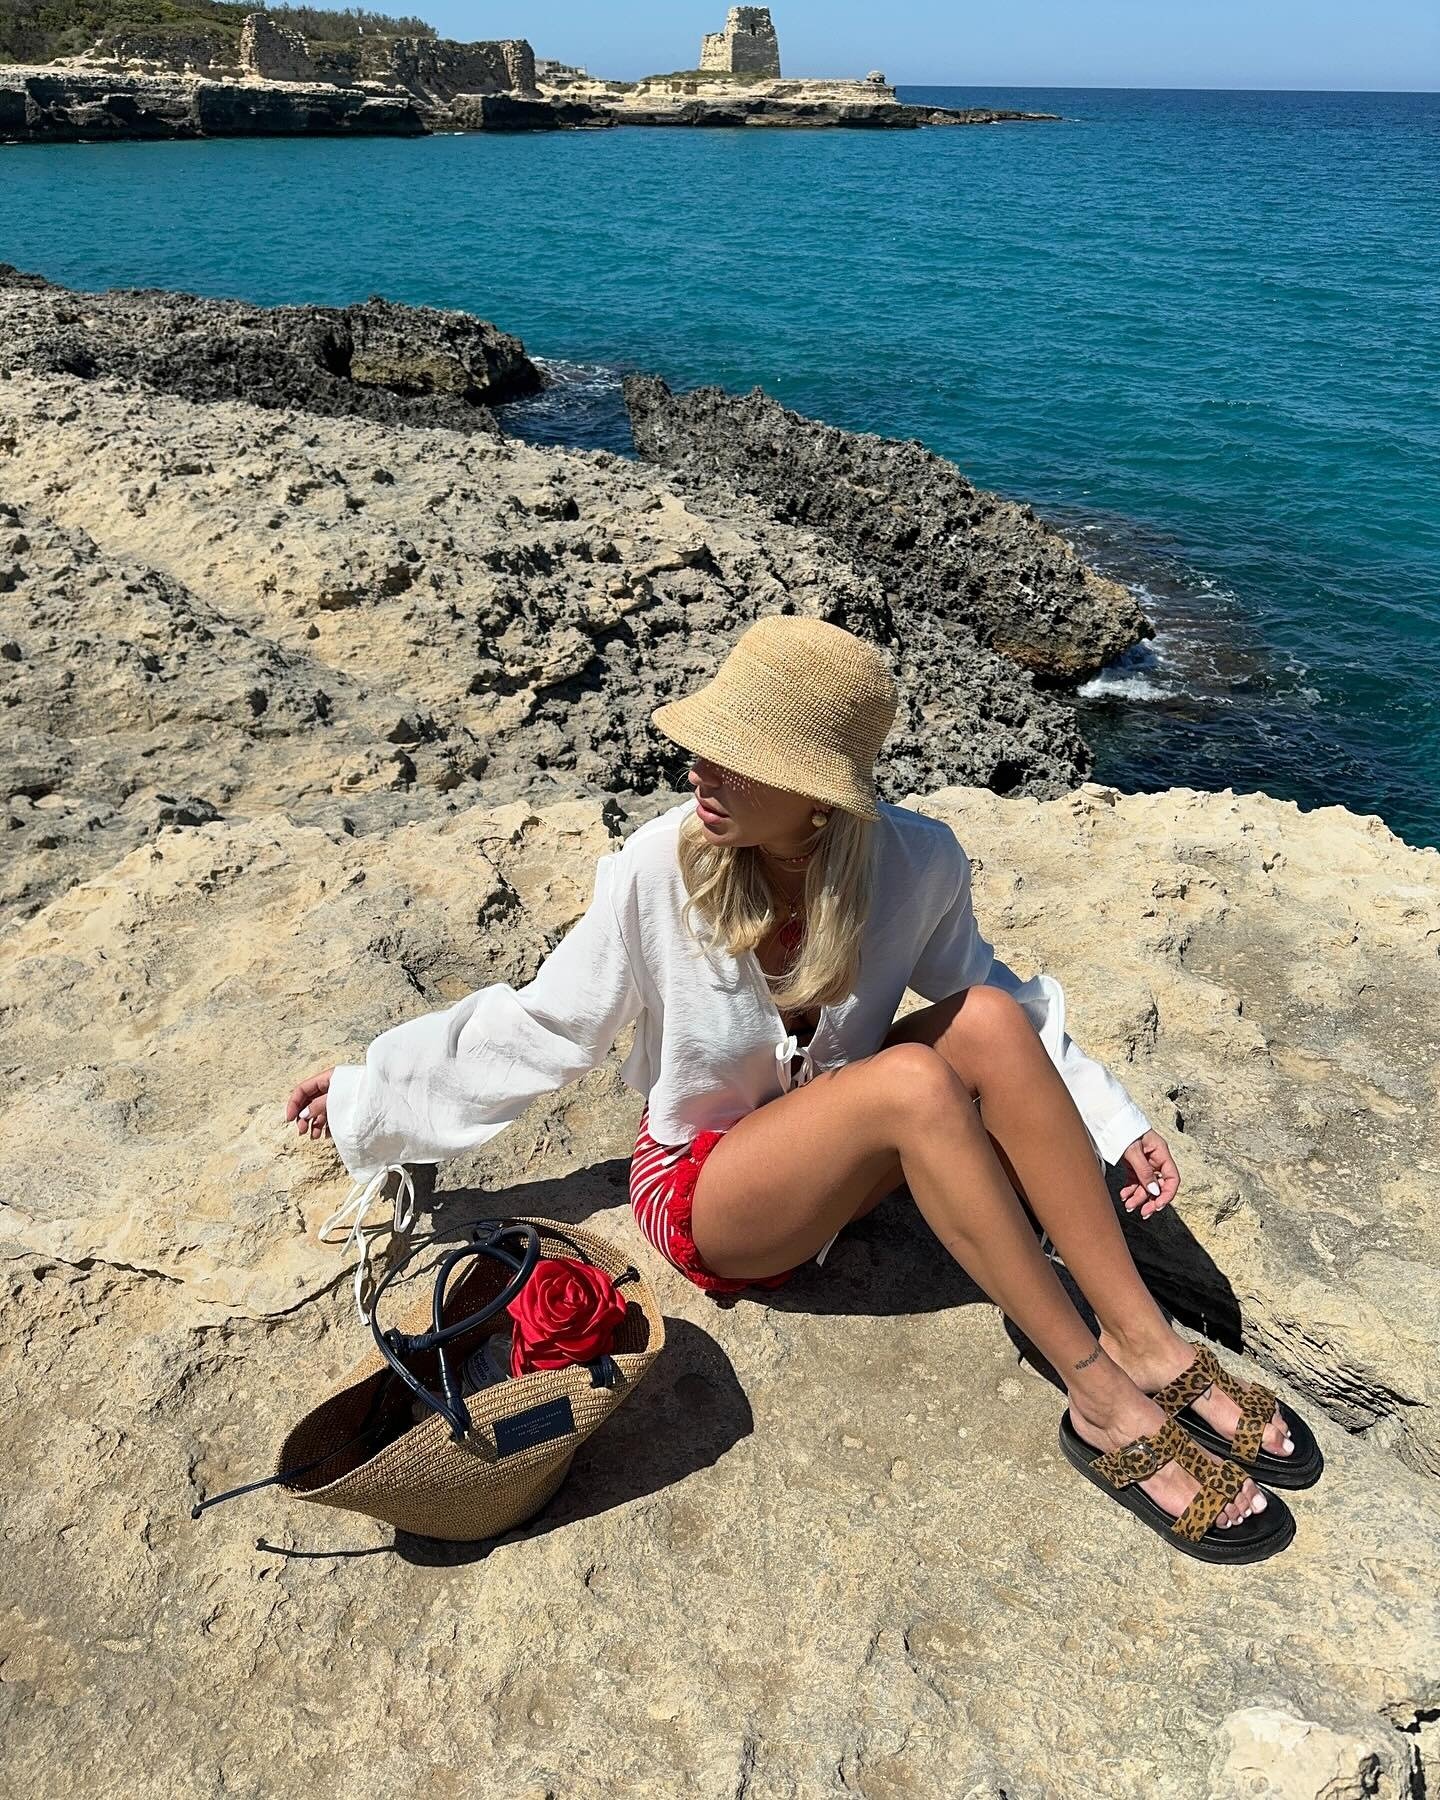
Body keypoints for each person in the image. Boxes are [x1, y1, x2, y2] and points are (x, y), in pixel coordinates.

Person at [286, 615, 1319, 1562]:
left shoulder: (917, 859)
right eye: (707, 739)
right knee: (914, 1083)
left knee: (990, 1023)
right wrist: (369, 1094)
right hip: (710, 1192)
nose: (700, 766)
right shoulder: (659, 866)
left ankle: (1143, 1340)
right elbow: (545, 1025)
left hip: (851, 1151)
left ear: (821, 792)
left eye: (741, 753)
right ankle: (1097, 1395)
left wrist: (1110, 1116)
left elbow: (990, 994)